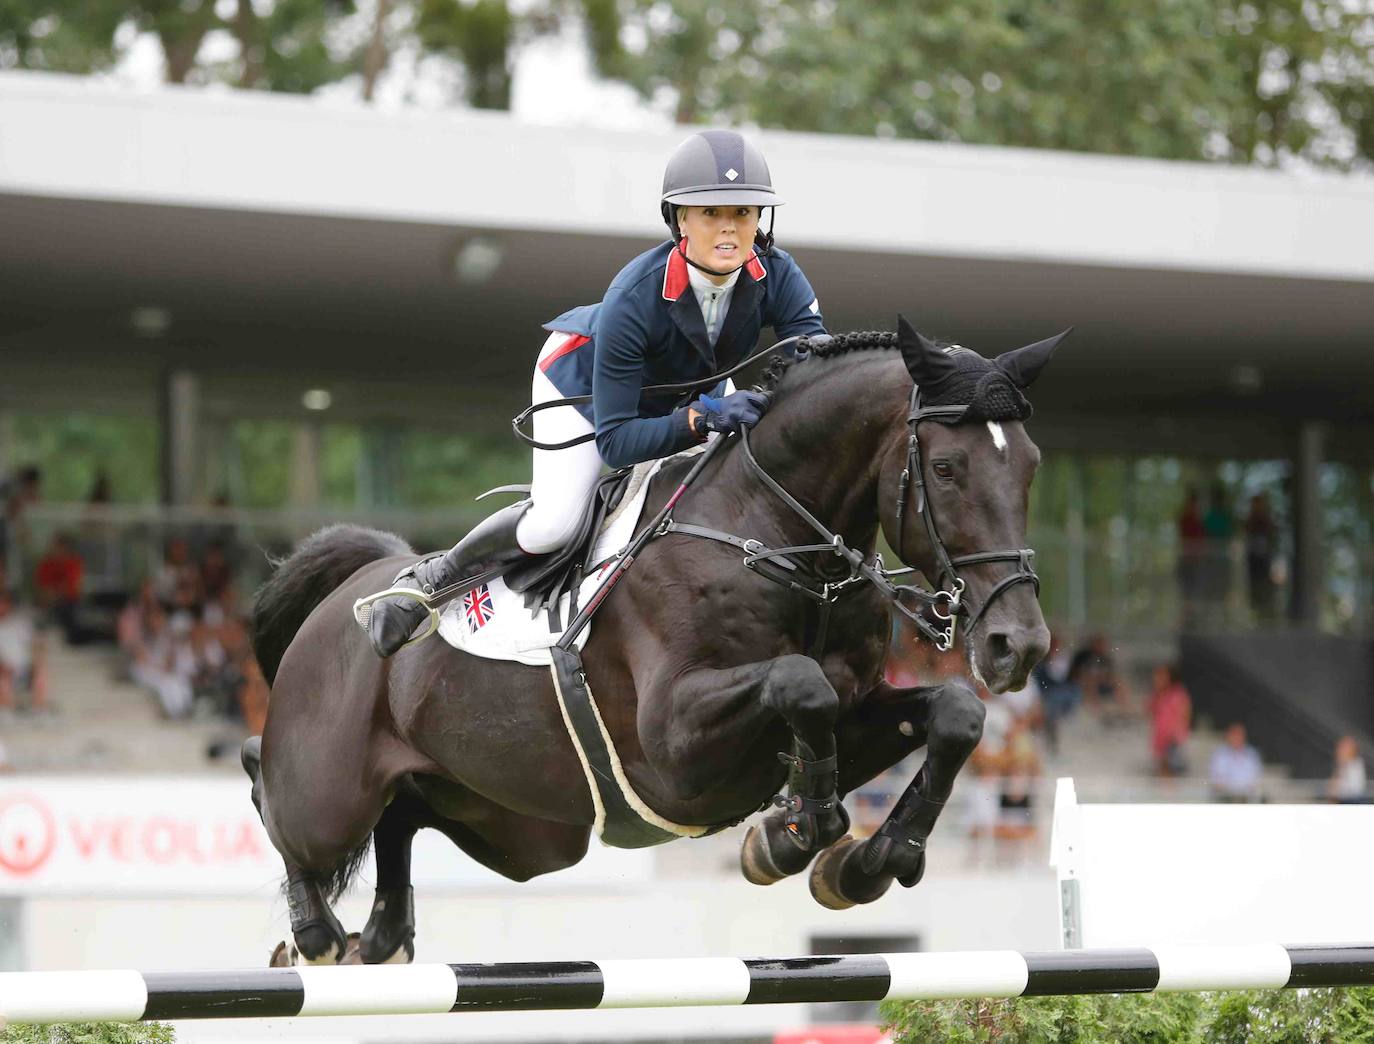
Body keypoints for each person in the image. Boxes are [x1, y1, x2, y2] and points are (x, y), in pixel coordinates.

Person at [362, 130, 828, 657]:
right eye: (710, 213)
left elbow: (811, 356)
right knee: (553, 525)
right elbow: (618, 443)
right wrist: (703, 418)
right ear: (679, 220)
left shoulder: (778, 272)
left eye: (743, 213)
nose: (729, 227)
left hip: (693, 384)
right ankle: (433, 579)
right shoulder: (633, 295)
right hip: (582, 385)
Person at [1147, 664, 1191, 777]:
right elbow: (1150, 712)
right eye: (1157, 676)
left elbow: (1185, 716)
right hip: (1160, 737)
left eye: (1162, 676)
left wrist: (1176, 735)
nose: (1158, 679)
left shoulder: (1179, 693)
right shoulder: (1156, 694)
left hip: (1173, 738)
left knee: (1171, 769)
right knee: (1161, 770)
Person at [1208, 722, 1263, 802]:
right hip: (1225, 796)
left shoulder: (1252, 754)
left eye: (1239, 735)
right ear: (1228, 736)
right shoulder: (1219, 754)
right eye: (1234, 734)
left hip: (1246, 796)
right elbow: (1217, 780)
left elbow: (1255, 777)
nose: (1237, 737)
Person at [1243, 493, 1276, 621]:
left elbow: (1270, 533)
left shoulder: (1265, 519)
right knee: (1253, 583)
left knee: (1264, 582)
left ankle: (1265, 609)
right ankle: (1255, 608)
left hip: (1263, 557)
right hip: (1253, 557)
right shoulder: (1250, 519)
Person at [1328, 735, 1367, 804]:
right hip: (1345, 798)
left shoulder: (1355, 764)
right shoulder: (1342, 765)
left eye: (1344, 747)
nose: (1340, 750)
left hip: (1352, 799)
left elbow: (1353, 789)